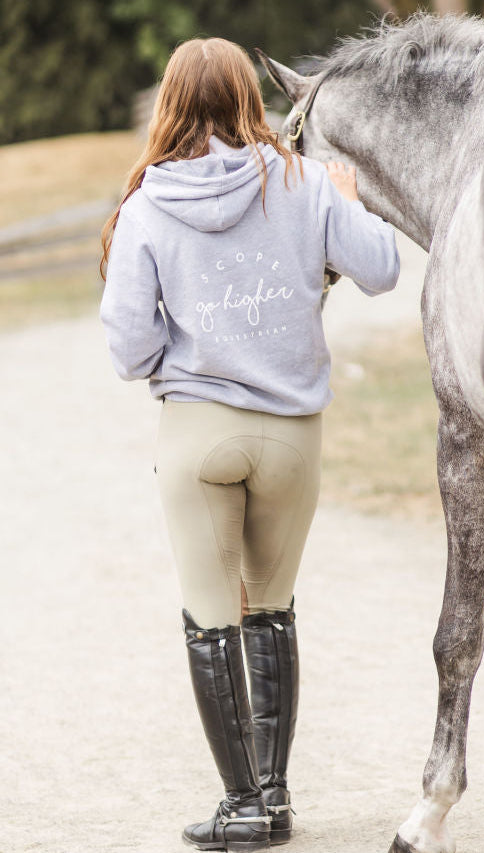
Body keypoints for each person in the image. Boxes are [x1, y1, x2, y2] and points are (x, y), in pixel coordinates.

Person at [99, 37, 399, 852]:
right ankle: (275, 797)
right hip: (293, 439)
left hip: (199, 436)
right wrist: (349, 199)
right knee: (270, 609)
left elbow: (128, 350)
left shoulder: (146, 205)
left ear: (169, 104)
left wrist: (192, 348)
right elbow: (381, 271)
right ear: (247, 98)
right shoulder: (305, 183)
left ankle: (242, 805)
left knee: (210, 618)